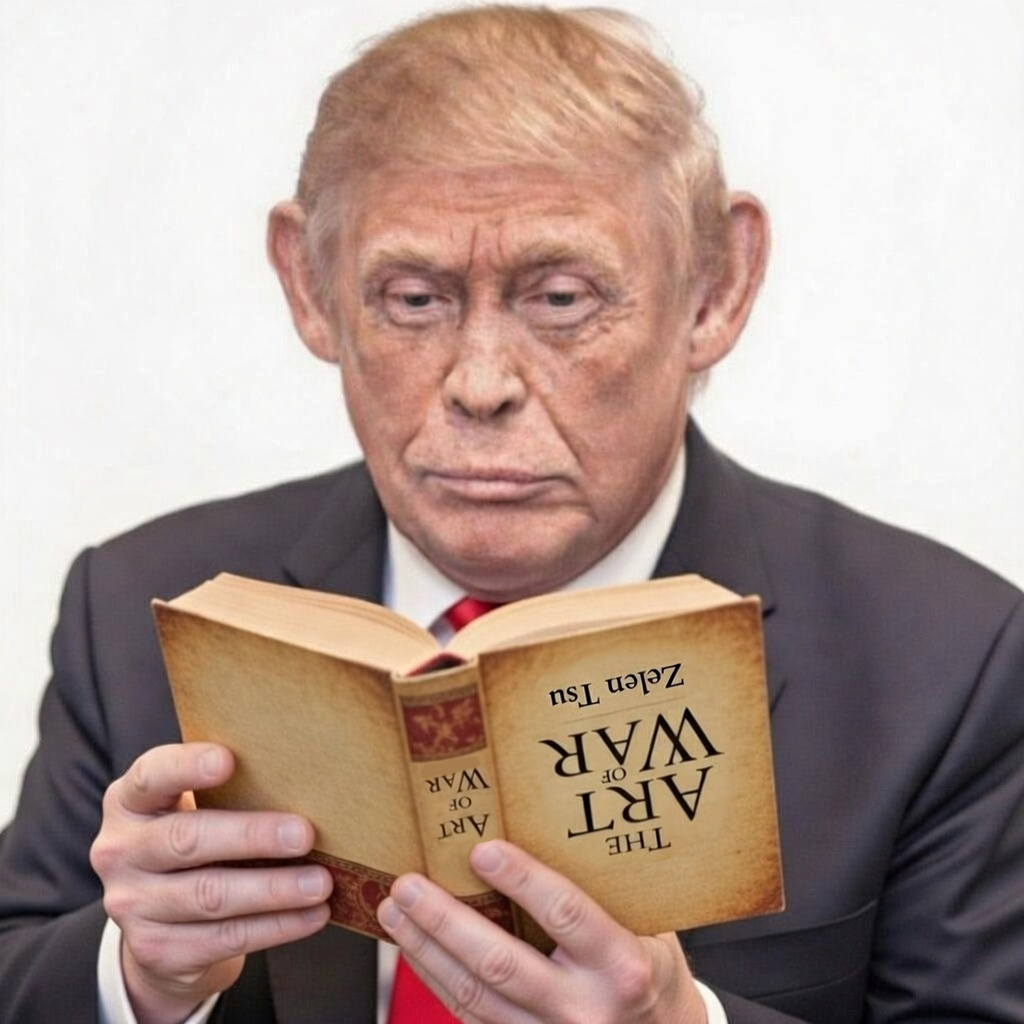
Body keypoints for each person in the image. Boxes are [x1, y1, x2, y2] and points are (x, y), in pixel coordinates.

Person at [1, 5, 1022, 1023]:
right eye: (413, 299)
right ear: (309, 288)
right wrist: (136, 977)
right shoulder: (141, 612)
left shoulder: (948, 663)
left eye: (562, 298)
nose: (480, 383)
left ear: (715, 288)